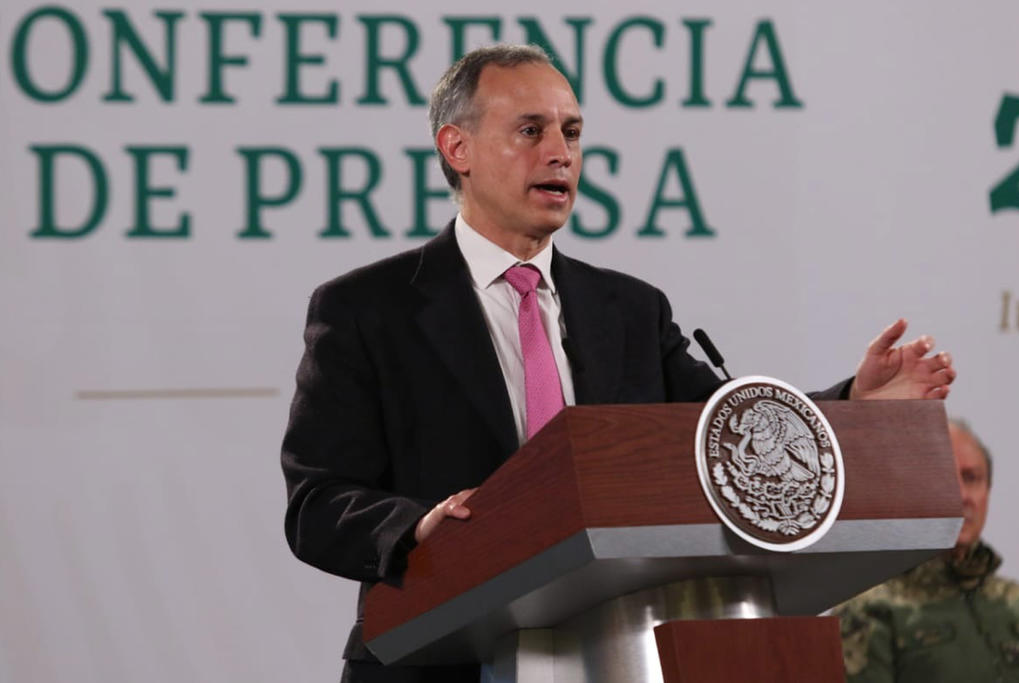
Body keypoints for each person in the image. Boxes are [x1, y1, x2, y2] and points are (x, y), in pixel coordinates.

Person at [280, 44, 957, 683]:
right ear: (457, 148)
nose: (560, 153)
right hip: (437, 660)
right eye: (531, 130)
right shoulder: (368, 309)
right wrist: (418, 528)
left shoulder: (629, 310)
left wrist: (853, 405)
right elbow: (318, 501)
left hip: (623, 653)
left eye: (571, 133)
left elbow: (721, 433)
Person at [835, 420, 1019, 682]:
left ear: (987, 491)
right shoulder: (869, 609)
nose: (961, 495)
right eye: (944, 478)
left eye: (971, 478)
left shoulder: (1017, 603)